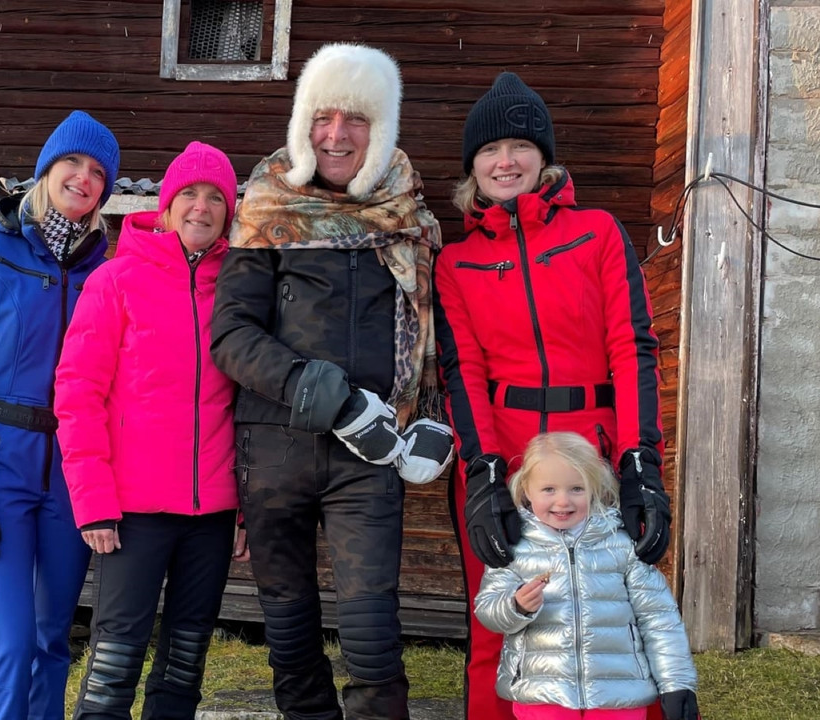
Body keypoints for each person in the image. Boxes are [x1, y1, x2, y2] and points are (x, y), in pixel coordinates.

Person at [210, 43, 455, 720]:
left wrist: (434, 412)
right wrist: (330, 397)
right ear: (303, 123)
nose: (337, 133)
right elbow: (230, 334)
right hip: (275, 445)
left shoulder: (406, 215)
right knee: (288, 626)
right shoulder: (266, 206)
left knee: (372, 626)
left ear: (382, 130)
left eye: (357, 119)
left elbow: (432, 325)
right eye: (324, 116)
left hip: (371, 453)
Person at [433, 72, 672, 720]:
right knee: (500, 619)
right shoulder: (454, 264)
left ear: (544, 158)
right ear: (472, 167)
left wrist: (640, 460)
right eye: (489, 150)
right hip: (504, 456)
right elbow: (464, 373)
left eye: (519, 146)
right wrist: (482, 475)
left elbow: (633, 347)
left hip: (595, 449)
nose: (505, 161)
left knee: (615, 612)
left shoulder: (597, 233)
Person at [54, 141, 248, 720]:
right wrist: (92, 502)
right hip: (131, 511)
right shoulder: (116, 281)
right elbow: (78, 392)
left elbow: (250, 405)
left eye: (216, 197)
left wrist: (246, 508)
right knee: (116, 654)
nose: (201, 206)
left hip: (212, 511)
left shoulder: (239, 289)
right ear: (165, 206)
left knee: (186, 659)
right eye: (188, 193)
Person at [0, 110, 120, 720]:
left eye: (98, 172)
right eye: (73, 163)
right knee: (12, 644)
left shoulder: (108, 274)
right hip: (1, 472)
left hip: (72, 480)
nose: (84, 178)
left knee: (52, 642)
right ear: (47, 170)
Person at [475, 432, 700, 720]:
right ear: (526, 490)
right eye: (549, 490)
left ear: (594, 488)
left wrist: (676, 683)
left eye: (576, 489)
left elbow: (660, 619)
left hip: (619, 696)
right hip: (543, 694)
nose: (563, 501)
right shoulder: (513, 547)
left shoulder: (623, 543)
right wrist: (515, 606)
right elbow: (487, 610)